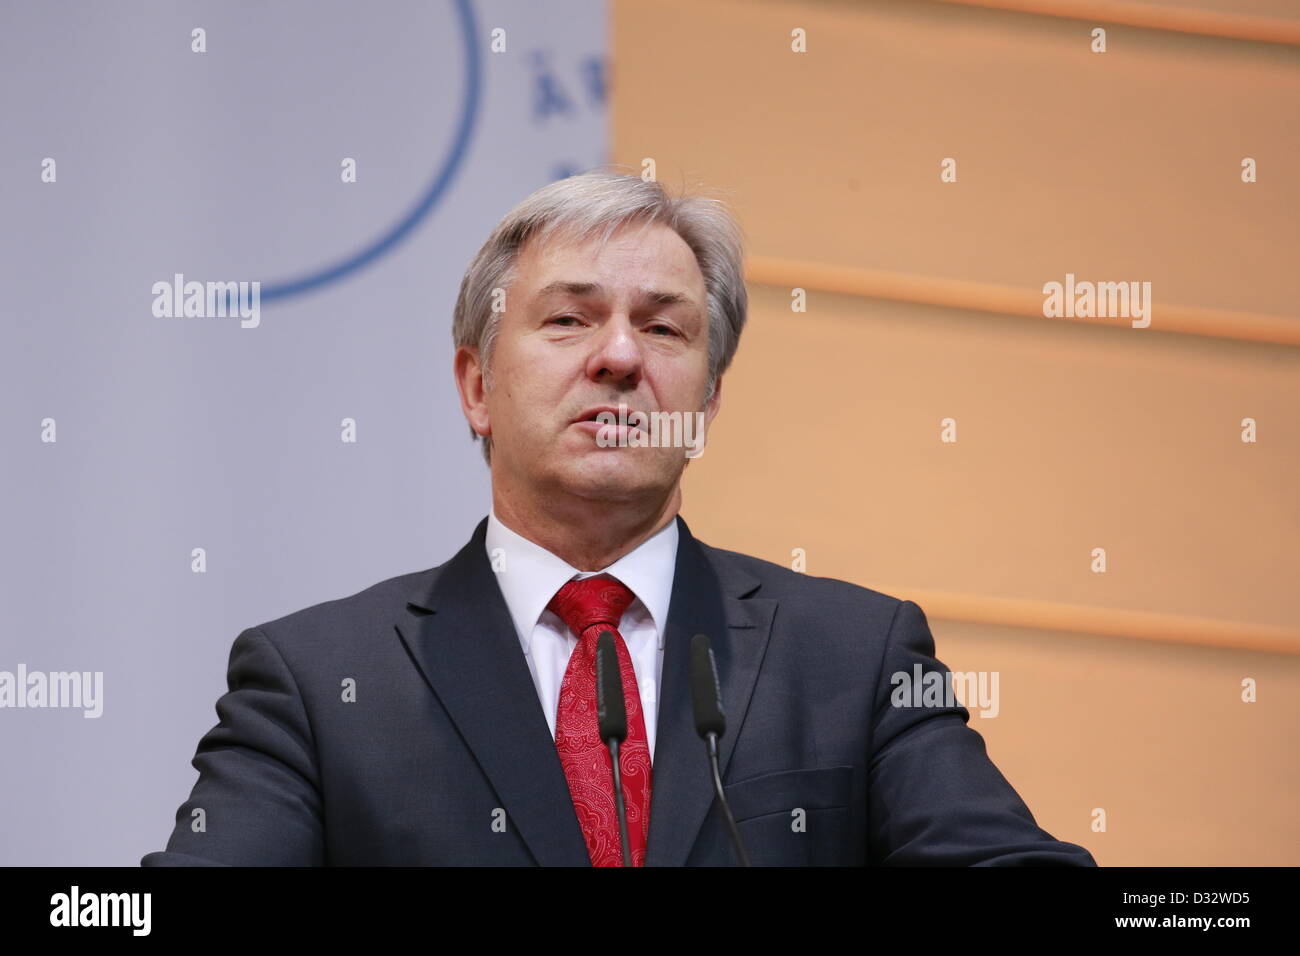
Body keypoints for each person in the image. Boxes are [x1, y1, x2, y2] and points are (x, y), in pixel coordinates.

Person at [142, 170, 1096, 866]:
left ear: (708, 402)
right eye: (568, 319)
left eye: (665, 326)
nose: (617, 357)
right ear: (477, 386)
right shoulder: (320, 681)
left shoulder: (854, 655)